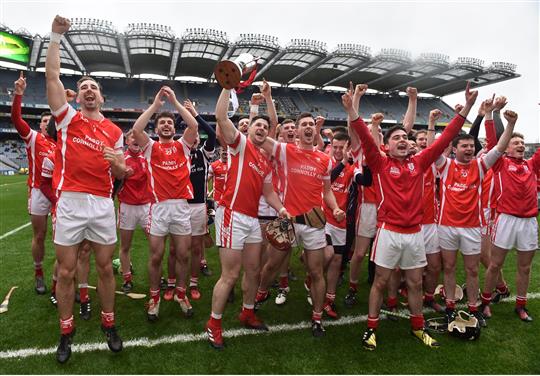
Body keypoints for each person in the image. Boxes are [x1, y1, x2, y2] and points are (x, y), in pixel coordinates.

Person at [344, 82, 478, 351]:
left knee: (416, 282)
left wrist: (469, 107)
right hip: (389, 232)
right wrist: (352, 110)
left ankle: (418, 327)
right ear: (387, 146)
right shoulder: (380, 163)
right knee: (381, 281)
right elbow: (364, 136)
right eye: (396, 138)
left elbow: (446, 137)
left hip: (415, 232)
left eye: (404, 138)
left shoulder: (420, 162)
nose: (402, 140)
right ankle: (371, 328)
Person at [46, 15, 126, 363]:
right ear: (76, 97)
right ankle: (66, 330)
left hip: (102, 204)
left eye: (94, 86)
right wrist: (54, 37)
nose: (89, 89)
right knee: (65, 271)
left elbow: (123, 169)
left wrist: (116, 162)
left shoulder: (114, 131)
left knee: (106, 267)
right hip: (71, 202)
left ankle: (109, 324)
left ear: (102, 97)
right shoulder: (67, 118)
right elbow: (51, 76)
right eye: (83, 87)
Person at [205, 88, 289, 350]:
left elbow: (268, 191)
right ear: (249, 129)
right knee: (229, 275)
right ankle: (214, 324)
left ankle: (248, 311)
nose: (262, 128)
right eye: (258, 125)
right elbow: (220, 117)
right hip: (231, 214)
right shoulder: (240, 144)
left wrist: (281, 208)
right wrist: (226, 86)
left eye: (265, 126)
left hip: (252, 219)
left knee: (253, 270)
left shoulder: (264, 162)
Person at [256, 112, 346, 337]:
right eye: (303, 125)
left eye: (311, 125)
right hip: (287, 220)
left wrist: (334, 207)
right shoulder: (285, 150)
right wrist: (257, 117)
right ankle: (261, 292)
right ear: (295, 131)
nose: (308, 127)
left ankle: (317, 318)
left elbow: (327, 191)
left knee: (316, 272)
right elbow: (258, 138)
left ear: (314, 131)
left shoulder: (324, 159)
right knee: (271, 266)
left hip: (314, 222)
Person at [437, 96, 515, 328]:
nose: (470, 148)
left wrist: (509, 125)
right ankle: (450, 307)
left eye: (472, 146)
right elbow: (438, 145)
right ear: (455, 148)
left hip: (472, 226)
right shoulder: (445, 164)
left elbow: (500, 147)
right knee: (449, 268)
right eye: (465, 145)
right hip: (447, 226)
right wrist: (438, 124)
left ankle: (474, 308)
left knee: (472, 270)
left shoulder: (481, 165)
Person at [132, 86, 199, 321]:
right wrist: (156, 107)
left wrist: (176, 102)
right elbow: (136, 129)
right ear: (157, 128)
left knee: (183, 255)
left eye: (170, 123)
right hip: (158, 208)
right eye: (162, 123)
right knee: (156, 256)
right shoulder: (151, 147)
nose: (167, 125)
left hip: (181, 206)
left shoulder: (183, 145)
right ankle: (154, 297)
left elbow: (194, 126)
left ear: (174, 126)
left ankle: (181, 293)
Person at [480, 123, 539, 322]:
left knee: (525, 267)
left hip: (529, 221)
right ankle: (486, 303)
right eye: (516, 142)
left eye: (522, 142)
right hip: (506, 219)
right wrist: (489, 116)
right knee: (495, 264)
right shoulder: (501, 163)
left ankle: (521, 306)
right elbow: (491, 142)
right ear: (506, 147)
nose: (521, 145)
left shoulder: (531, 164)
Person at [10, 71, 56, 295]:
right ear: (41, 124)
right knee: (39, 235)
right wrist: (18, 94)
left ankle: (62, 276)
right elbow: (17, 120)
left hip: (58, 192)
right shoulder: (34, 138)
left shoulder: (62, 143)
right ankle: (39, 273)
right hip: (38, 191)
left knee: (63, 238)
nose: (48, 123)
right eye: (45, 121)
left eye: (51, 120)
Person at [322, 132, 371, 319]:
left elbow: (365, 181)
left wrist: (365, 165)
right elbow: (329, 179)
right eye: (335, 146)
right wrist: (343, 162)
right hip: (322, 219)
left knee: (336, 261)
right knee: (326, 256)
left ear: (348, 148)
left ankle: (329, 299)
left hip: (341, 221)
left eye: (342, 147)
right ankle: (314, 281)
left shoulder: (353, 168)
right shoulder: (324, 161)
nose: (338, 150)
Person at [184, 99, 216, 300]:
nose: (195, 138)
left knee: (196, 246)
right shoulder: (179, 152)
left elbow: (212, 134)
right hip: (179, 206)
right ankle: (175, 283)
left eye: (197, 135)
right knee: (179, 248)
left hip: (198, 206)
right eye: (191, 135)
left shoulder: (204, 155)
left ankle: (193, 281)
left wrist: (195, 114)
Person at [117, 130, 152, 293]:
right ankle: (127, 279)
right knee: (125, 246)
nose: (135, 140)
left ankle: (157, 276)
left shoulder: (148, 157)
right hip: (127, 207)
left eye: (138, 137)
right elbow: (113, 185)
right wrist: (121, 176)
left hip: (146, 206)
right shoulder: (121, 159)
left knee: (155, 244)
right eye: (132, 137)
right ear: (127, 140)